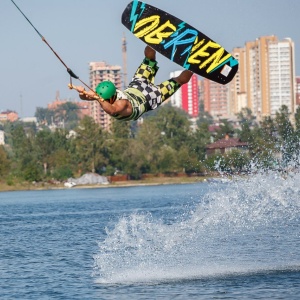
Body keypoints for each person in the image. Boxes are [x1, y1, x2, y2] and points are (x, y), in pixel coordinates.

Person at [70, 46, 193, 121]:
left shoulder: (107, 99)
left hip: (137, 85)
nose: (104, 100)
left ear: (111, 95)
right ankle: (194, 65)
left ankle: (156, 40)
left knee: (149, 59)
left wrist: (85, 94)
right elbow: (111, 110)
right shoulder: (122, 104)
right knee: (178, 80)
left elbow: (91, 97)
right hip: (151, 97)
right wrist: (83, 93)